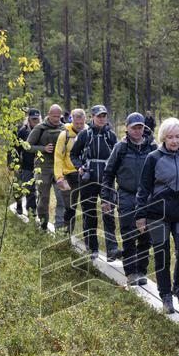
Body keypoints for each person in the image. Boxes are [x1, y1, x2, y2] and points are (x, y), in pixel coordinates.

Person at [135, 117, 179, 313]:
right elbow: (143, 188)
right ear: (163, 137)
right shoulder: (153, 157)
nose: (174, 140)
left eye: (177, 136)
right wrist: (140, 215)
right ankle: (165, 295)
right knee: (161, 254)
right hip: (158, 213)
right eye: (170, 137)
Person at [102, 112, 156, 285]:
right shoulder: (121, 148)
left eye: (140, 127)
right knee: (128, 234)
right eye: (134, 128)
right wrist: (106, 199)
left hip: (148, 198)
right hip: (126, 195)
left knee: (146, 235)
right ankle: (131, 272)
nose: (137, 131)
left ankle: (141, 271)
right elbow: (108, 174)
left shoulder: (152, 147)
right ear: (127, 128)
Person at [69, 104, 120, 260]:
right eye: (98, 116)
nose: (101, 118)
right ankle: (92, 249)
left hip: (107, 180)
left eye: (104, 116)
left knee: (108, 214)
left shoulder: (111, 136)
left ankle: (112, 250)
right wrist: (79, 168)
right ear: (92, 117)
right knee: (89, 214)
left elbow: (118, 157)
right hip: (87, 180)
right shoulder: (85, 134)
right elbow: (73, 154)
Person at [27, 104, 65, 231]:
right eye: (54, 116)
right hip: (43, 168)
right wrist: (43, 149)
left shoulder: (64, 128)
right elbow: (28, 146)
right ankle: (43, 226)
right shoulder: (40, 128)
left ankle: (59, 228)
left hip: (60, 168)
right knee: (43, 199)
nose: (56, 119)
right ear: (48, 114)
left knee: (62, 198)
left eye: (58, 116)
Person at [54, 108, 87, 235]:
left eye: (81, 123)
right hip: (69, 175)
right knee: (70, 207)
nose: (79, 126)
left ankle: (87, 237)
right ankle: (67, 233)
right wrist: (59, 177)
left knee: (86, 207)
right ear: (72, 120)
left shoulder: (89, 132)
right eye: (77, 123)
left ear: (85, 120)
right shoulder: (64, 135)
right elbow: (58, 157)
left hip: (84, 174)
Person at [10, 108, 41, 221]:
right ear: (29, 119)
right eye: (33, 119)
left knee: (34, 191)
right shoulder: (22, 131)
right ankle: (19, 205)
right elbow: (14, 149)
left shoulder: (42, 130)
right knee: (20, 187)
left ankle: (33, 215)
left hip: (39, 166)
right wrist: (14, 164)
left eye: (37, 119)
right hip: (25, 165)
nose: (35, 121)